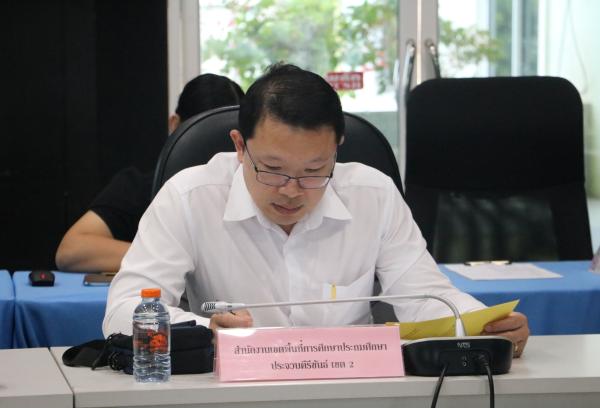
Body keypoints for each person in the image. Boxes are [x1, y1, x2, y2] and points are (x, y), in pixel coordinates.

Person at [103, 63, 529, 356]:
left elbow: (428, 298)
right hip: (234, 395)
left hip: (354, 393)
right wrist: (204, 331)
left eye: (314, 171)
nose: (291, 191)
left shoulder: (373, 195)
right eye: (272, 169)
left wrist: (485, 326)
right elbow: (123, 312)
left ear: (336, 149)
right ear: (239, 146)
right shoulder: (189, 197)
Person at [55, 74, 245, 273]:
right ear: (175, 125)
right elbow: (72, 250)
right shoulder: (138, 189)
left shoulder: (258, 193)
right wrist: (170, 258)